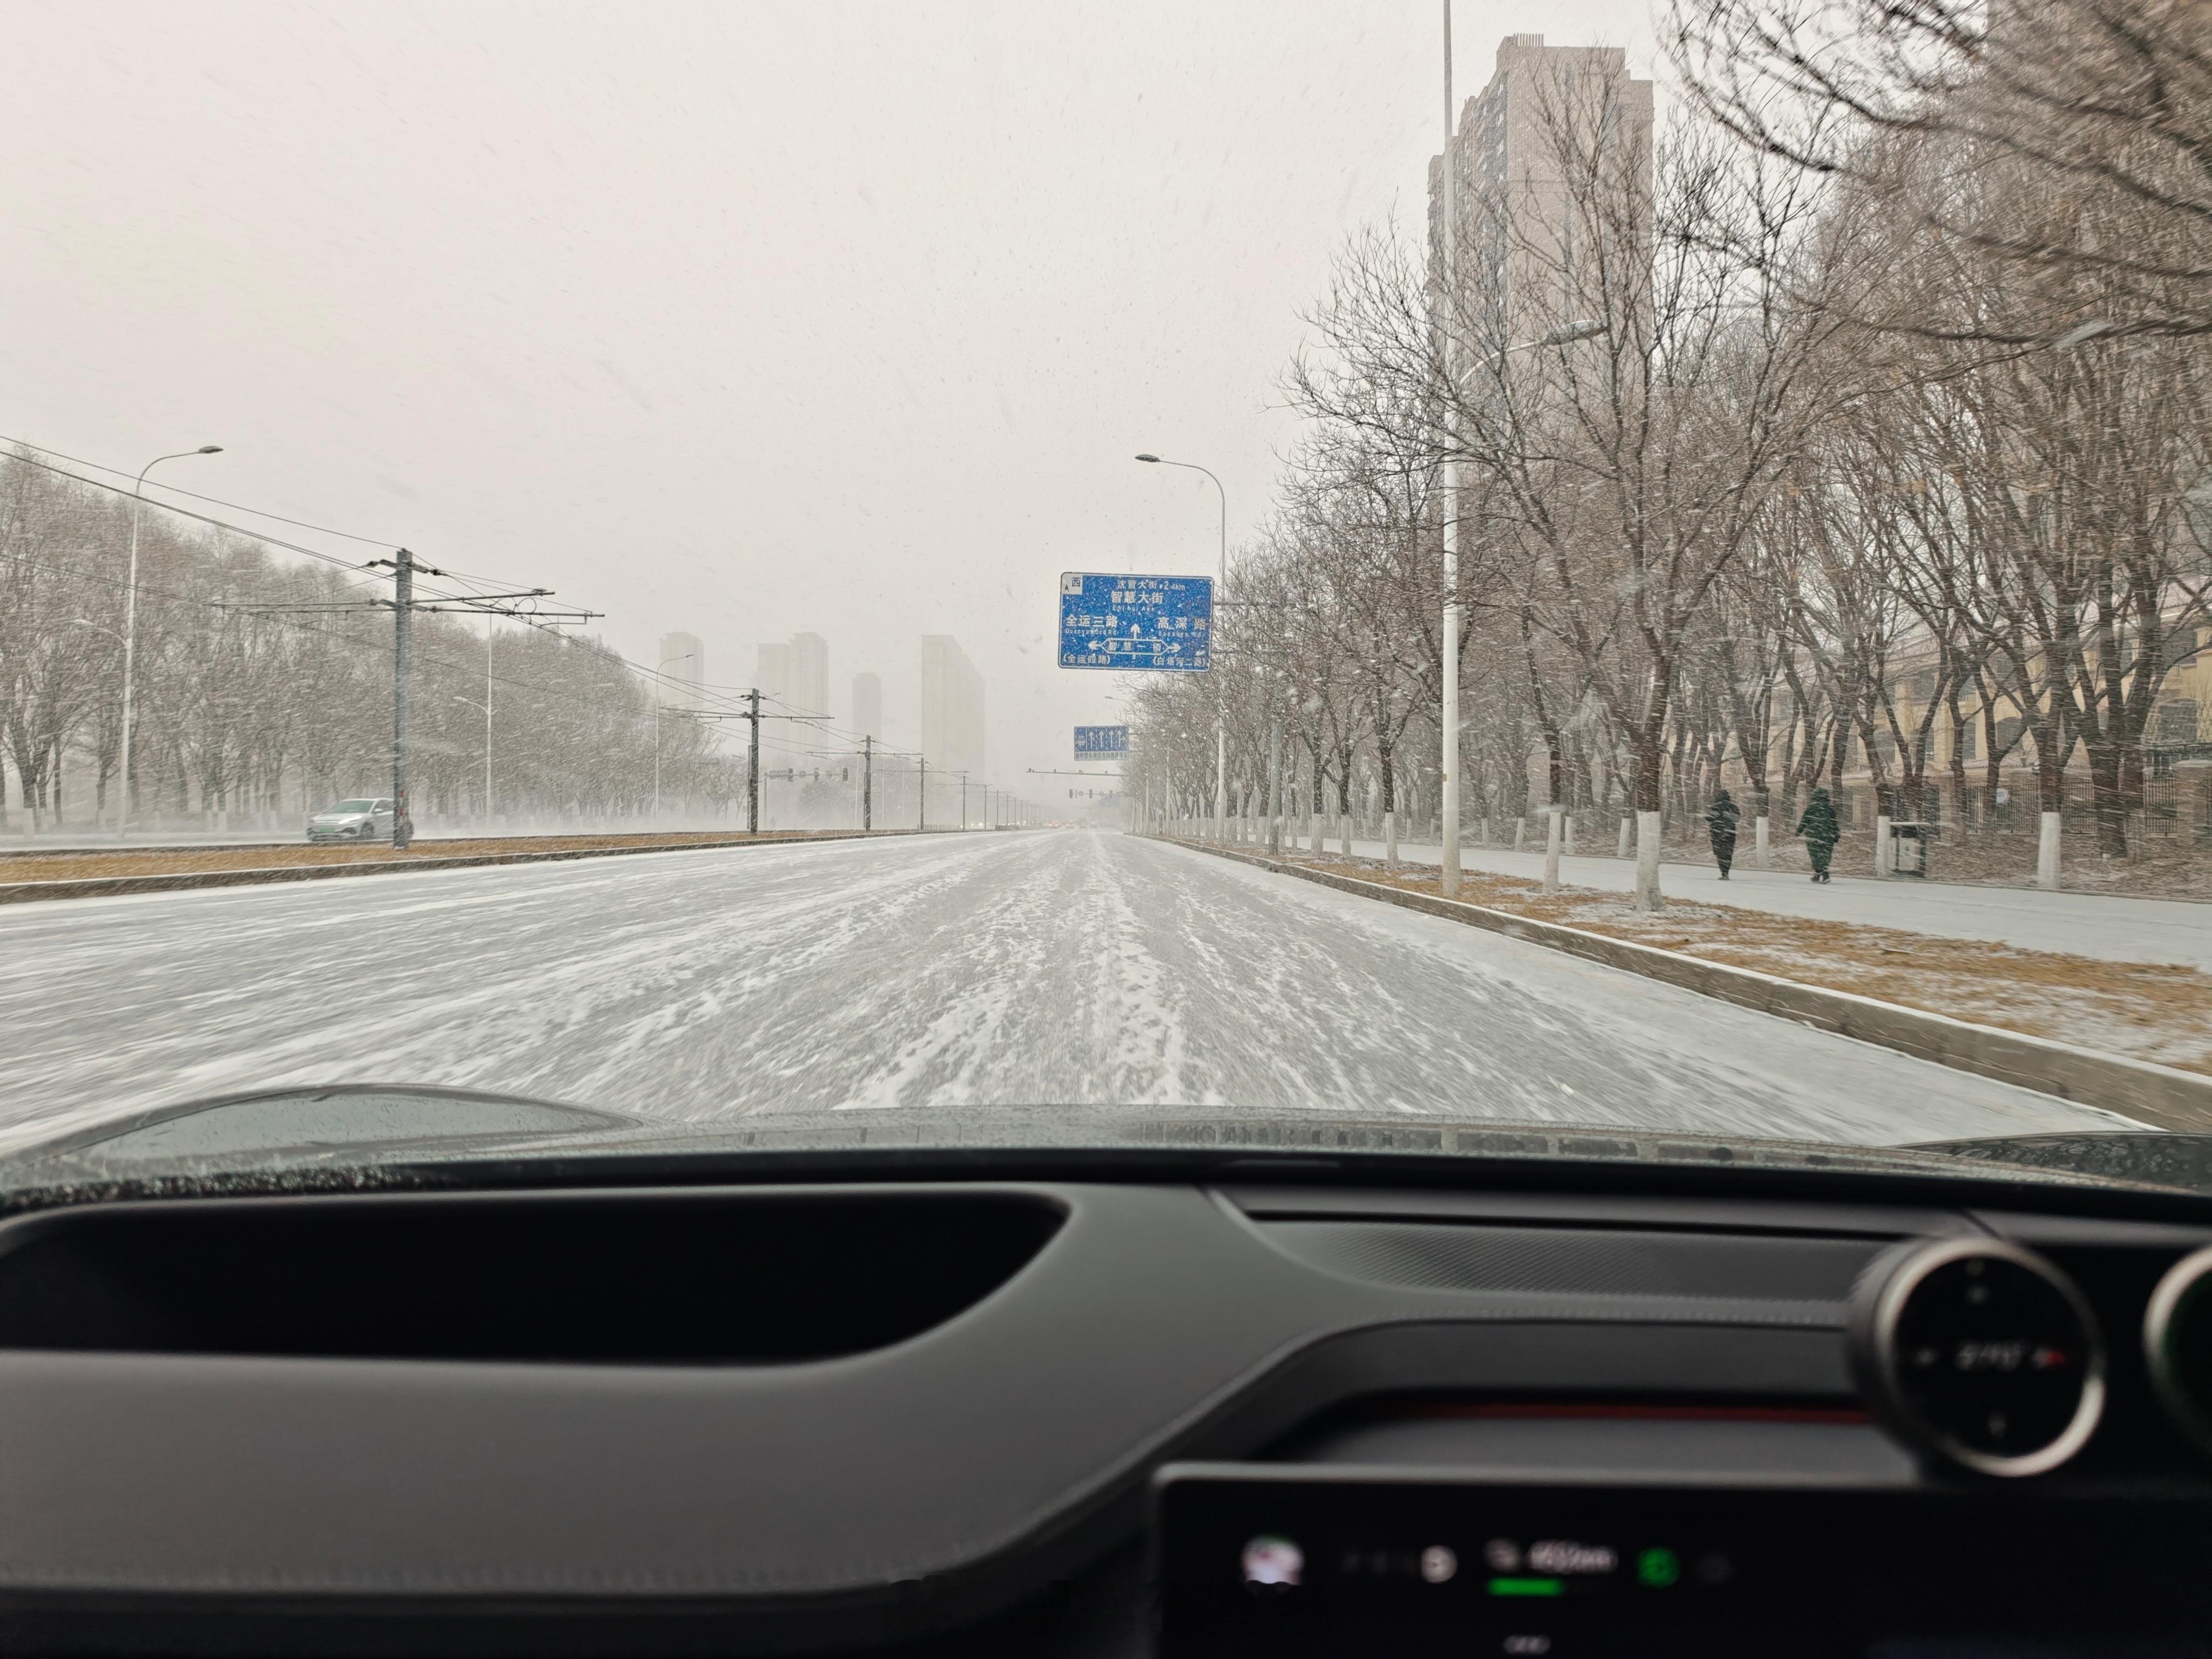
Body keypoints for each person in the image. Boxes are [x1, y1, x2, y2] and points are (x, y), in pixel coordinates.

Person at [1796, 787, 1840, 883]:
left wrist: (1799, 831)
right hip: (1828, 836)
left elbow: (1805, 820)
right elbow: (1834, 823)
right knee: (1825, 855)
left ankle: (1825, 875)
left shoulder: (1812, 807)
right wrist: (1837, 834)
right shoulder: (1830, 808)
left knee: (1815, 855)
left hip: (1814, 835)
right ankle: (1817, 876)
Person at [1704, 788, 1741, 880]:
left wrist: (1719, 815)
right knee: (1728, 853)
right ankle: (1726, 872)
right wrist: (1727, 815)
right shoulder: (1734, 807)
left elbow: (1709, 818)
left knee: (1720, 854)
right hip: (1730, 834)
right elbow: (1737, 819)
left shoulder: (1716, 806)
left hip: (1717, 834)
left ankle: (1724, 872)